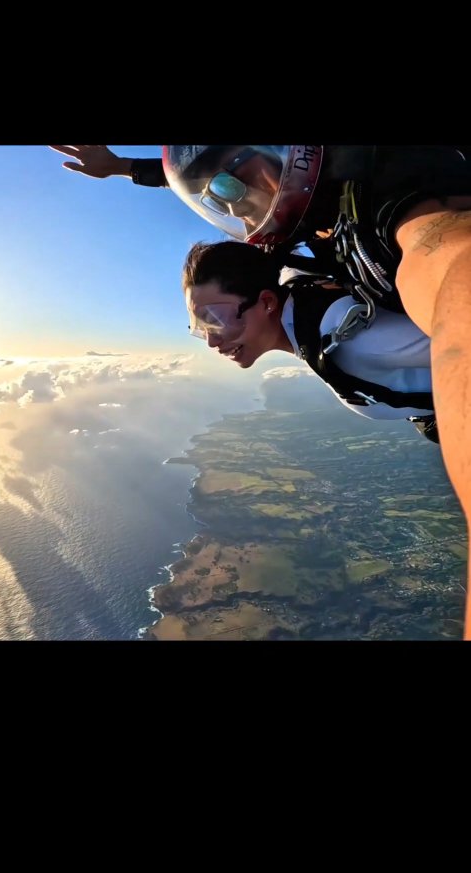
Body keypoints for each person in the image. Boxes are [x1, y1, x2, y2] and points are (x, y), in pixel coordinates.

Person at [50, 144, 471, 638]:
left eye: (217, 319)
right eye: (198, 328)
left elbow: (448, 263)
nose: (229, 202)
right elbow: (242, 181)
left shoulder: (378, 233)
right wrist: (124, 168)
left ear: (266, 303)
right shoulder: (304, 280)